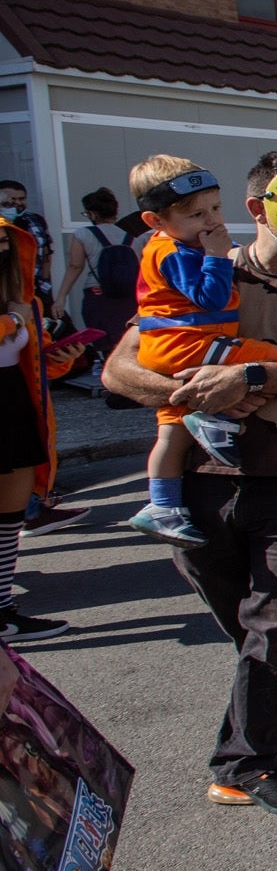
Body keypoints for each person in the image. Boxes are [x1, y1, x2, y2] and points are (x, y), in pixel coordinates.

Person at [103, 150, 277, 816]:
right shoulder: (199, 270)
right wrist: (192, 391)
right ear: (257, 208)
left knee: (275, 617)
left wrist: (253, 376)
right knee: (249, 622)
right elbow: (118, 369)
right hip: (202, 484)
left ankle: (244, 762)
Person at [123, 155, 277, 548]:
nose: (212, 220)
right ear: (156, 222)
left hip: (170, 346)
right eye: (197, 215)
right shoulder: (174, 252)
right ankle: (215, 418)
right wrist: (218, 255)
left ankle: (162, 507)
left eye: (215, 208)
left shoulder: (180, 244)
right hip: (188, 343)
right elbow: (210, 295)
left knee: (171, 431)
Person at [0, 218, 86, 640]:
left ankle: (3, 610)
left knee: (9, 519)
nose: (1, 251)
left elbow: (31, 364)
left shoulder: (19, 300)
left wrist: (62, 357)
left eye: (4, 244)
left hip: (14, 410)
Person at [53, 187, 138, 359]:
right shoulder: (133, 236)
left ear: (92, 214)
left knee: (106, 346)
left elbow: (75, 266)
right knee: (128, 344)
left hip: (98, 295)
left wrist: (61, 297)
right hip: (129, 298)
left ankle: (109, 378)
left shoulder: (83, 234)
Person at [0, 181, 53, 309]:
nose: (18, 203)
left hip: (36, 289)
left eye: (22, 199)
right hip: (9, 290)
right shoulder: (3, 225)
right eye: (12, 200)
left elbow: (46, 254)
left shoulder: (36, 220)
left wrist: (44, 286)